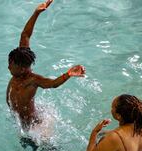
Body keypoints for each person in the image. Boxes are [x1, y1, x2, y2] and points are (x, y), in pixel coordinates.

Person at [6, 0, 85, 132]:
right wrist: (36, 13)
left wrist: (68, 74)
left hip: (33, 126)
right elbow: (25, 34)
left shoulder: (32, 80)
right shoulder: (22, 56)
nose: (8, 67)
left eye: (11, 65)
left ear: (22, 68)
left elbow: (53, 84)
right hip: (19, 120)